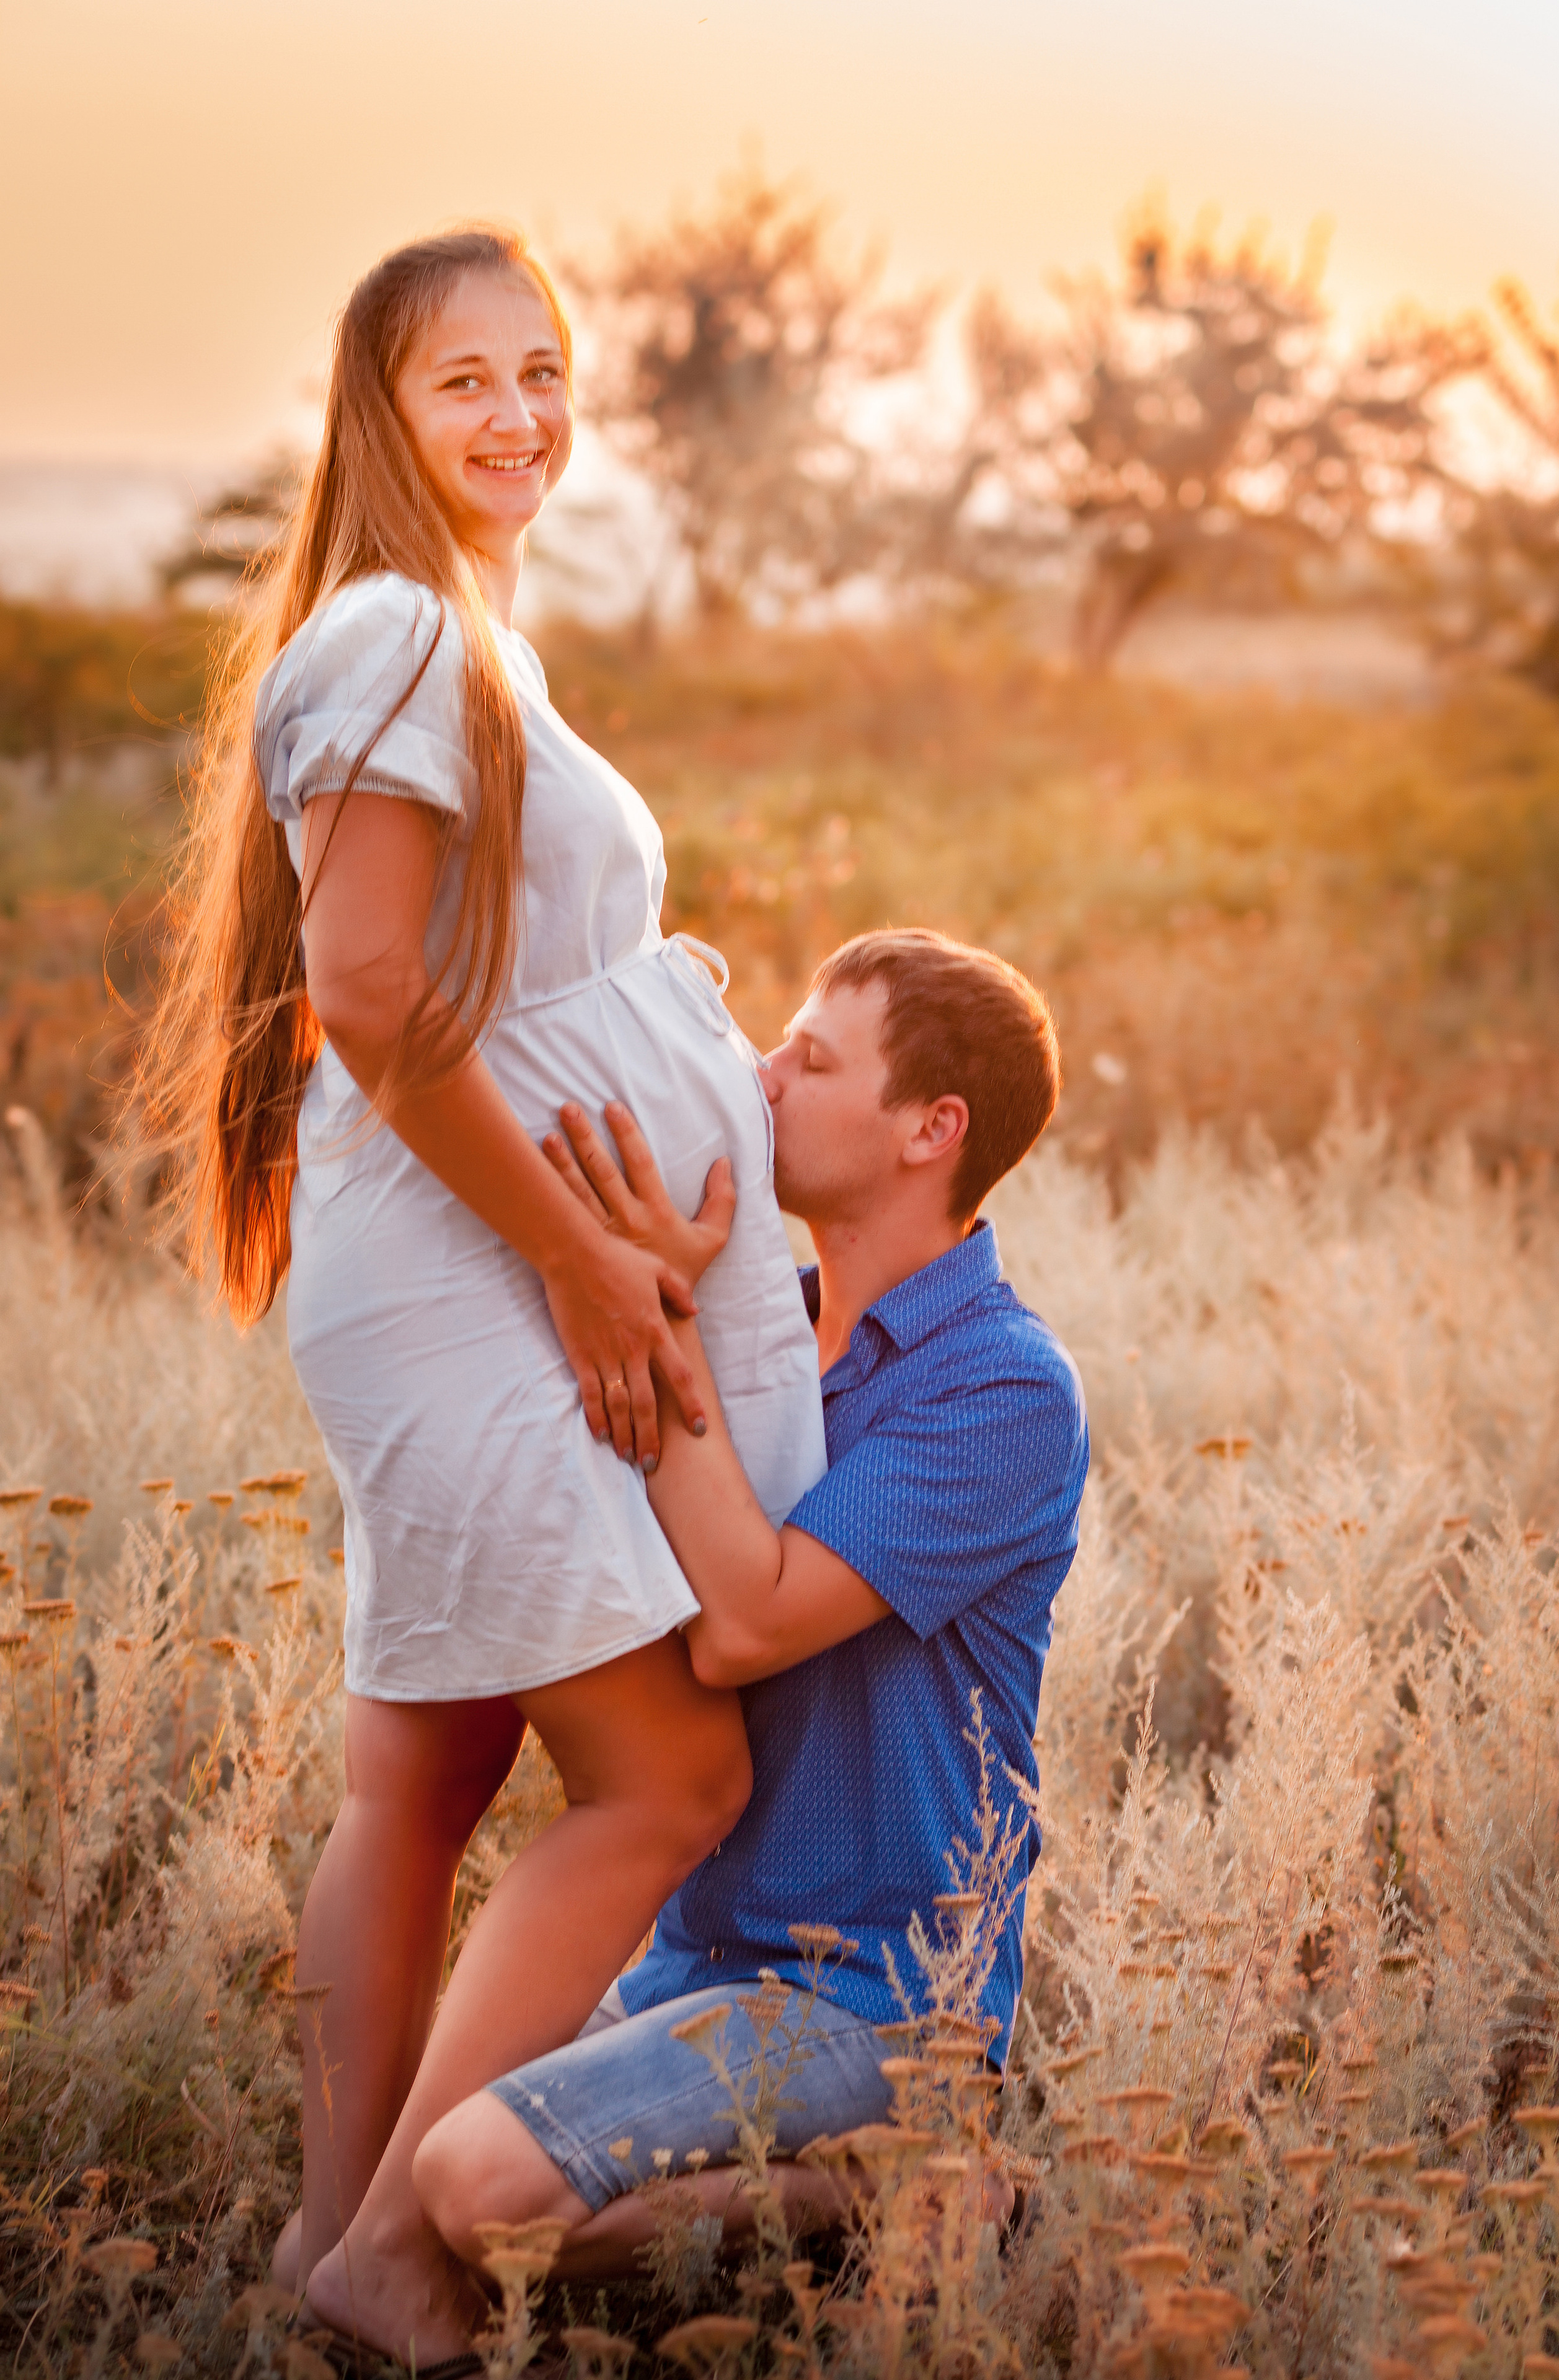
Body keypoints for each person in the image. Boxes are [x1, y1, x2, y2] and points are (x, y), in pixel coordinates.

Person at [136, 227, 826, 2365]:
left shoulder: (454, 634)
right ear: (381, 409)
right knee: (665, 1784)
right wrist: (584, 1258)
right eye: (469, 384)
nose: (523, 416)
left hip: (477, 1258)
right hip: (474, 1274)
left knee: (418, 1779)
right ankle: (404, 2260)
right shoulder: (395, 633)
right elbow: (363, 993)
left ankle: (321, 2249)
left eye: (546, 372)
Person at [411, 930, 1090, 2291]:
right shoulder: (766, 1338)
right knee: (402, 2166)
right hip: (684, 1958)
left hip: (873, 1994)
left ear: (927, 1130)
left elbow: (743, 1625)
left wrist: (659, 1325)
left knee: (475, 2188)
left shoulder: (1002, 1391)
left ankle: (900, 2180)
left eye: (810, 1057)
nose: (759, 1074)